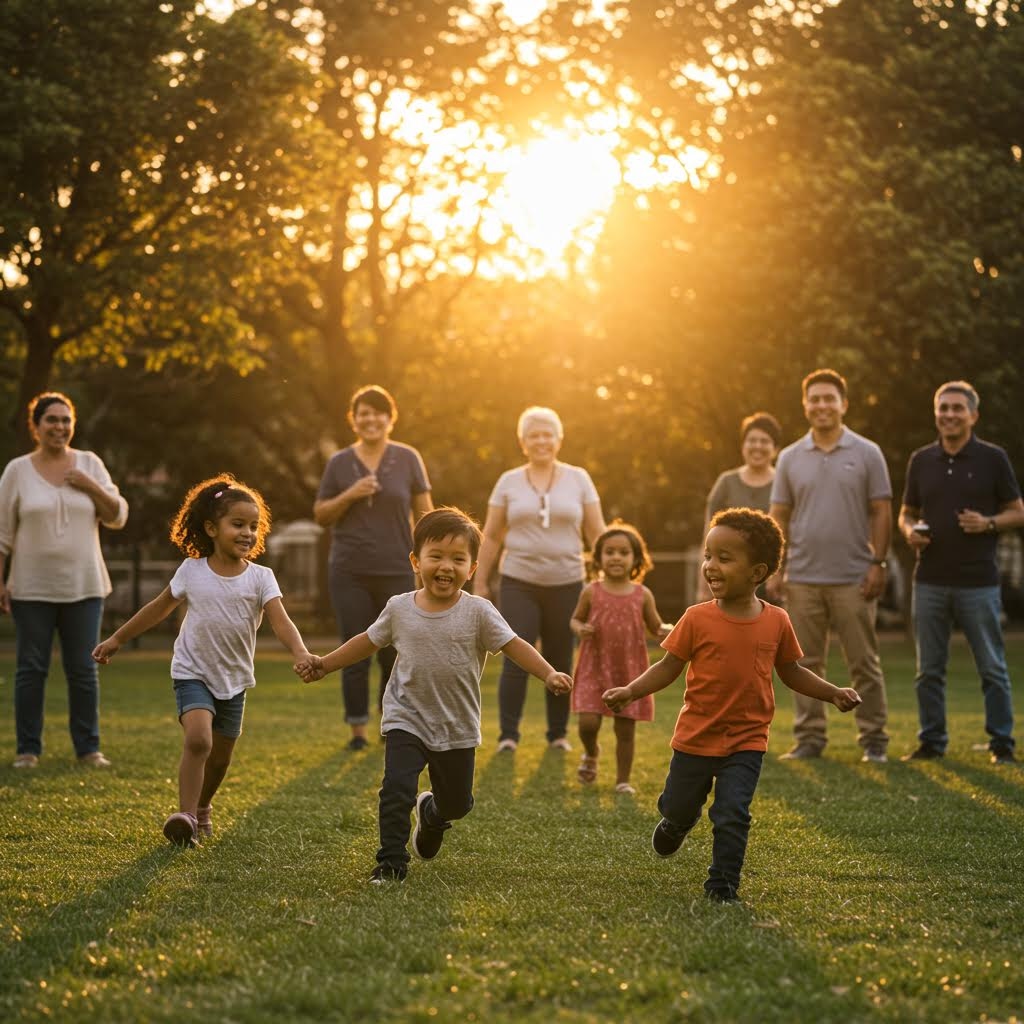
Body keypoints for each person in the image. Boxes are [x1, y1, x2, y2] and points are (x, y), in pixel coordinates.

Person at [295, 507, 573, 883]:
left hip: (456, 722)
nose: (446, 566)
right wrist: (325, 664)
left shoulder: (479, 612)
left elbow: (514, 644)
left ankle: (432, 815)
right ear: (416, 561)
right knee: (396, 789)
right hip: (405, 716)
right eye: (436, 556)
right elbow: (366, 642)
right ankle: (392, 862)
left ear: (472, 568)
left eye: (458, 559)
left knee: (459, 803)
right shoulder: (399, 608)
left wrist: (548, 672)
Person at [603, 508, 861, 903]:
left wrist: (833, 692)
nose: (710, 566)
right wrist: (630, 691)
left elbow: (792, 672)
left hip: (747, 740)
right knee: (679, 804)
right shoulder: (695, 619)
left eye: (724, 558)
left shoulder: (776, 621)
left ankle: (722, 886)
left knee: (733, 813)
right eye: (709, 555)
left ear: (757, 572)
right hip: (695, 737)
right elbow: (668, 667)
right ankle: (675, 822)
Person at [92, 476, 312, 846]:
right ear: (212, 528)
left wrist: (301, 653)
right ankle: (187, 818)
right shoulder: (192, 571)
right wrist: (117, 638)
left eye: (254, 526)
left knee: (221, 759)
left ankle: (204, 806)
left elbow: (281, 621)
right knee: (198, 740)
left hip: (235, 679)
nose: (248, 533)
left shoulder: (261, 578)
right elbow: (157, 609)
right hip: (192, 672)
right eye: (238, 524)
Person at [768, 369, 892, 763]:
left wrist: (878, 563)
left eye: (829, 399)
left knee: (863, 662)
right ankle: (809, 739)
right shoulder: (789, 457)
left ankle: (874, 740)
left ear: (843, 404)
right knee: (803, 663)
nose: (822, 405)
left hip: (853, 577)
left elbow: (881, 510)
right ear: (805, 405)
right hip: (802, 577)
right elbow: (778, 517)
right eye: (815, 399)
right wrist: (776, 568)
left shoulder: (867, 452)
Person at [0, 391, 128, 769]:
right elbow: (3, 533)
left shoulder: (90, 464)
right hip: (31, 587)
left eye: (65, 420)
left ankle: (89, 749)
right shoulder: (17, 471)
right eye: (51, 420)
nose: (59, 426)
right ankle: (27, 750)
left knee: (84, 669)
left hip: (84, 586)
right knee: (31, 669)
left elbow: (118, 515)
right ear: (35, 426)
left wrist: (89, 486)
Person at [899, 381, 1024, 765]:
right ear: (936, 413)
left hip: (978, 583)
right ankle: (932, 742)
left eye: (957, 408)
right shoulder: (921, 460)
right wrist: (909, 533)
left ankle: (1002, 744)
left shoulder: (993, 458)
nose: (949, 414)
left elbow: (1018, 511)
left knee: (992, 667)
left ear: (973, 415)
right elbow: (906, 513)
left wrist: (987, 523)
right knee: (928, 671)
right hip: (930, 580)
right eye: (943, 408)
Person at [475, 406, 605, 751]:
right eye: (534, 434)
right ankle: (508, 736)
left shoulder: (579, 479)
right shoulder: (509, 481)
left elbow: (597, 533)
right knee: (518, 654)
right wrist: (479, 581)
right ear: (523, 441)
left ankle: (558, 734)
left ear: (559, 439)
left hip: (568, 582)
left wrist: (609, 582)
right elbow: (491, 535)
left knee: (561, 660)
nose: (541, 440)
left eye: (548, 434)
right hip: (519, 580)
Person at [314, 385, 433, 751]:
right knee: (355, 647)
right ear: (354, 420)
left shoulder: (408, 458)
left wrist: (427, 563)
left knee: (394, 651)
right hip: (350, 569)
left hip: (397, 568)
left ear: (389, 418)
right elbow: (321, 515)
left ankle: (390, 725)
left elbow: (425, 516)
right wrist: (351, 493)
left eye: (377, 412)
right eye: (362, 413)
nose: (370, 419)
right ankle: (357, 731)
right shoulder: (339, 464)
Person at [570, 522, 672, 794]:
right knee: (588, 723)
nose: (616, 557)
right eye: (610, 552)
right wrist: (581, 629)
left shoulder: (643, 595)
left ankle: (622, 780)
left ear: (636, 559)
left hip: (629, 670)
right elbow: (575, 619)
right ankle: (591, 753)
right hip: (594, 666)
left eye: (624, 552)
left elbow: (656, 627)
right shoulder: (592, 591)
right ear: (599, 557)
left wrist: (667, 630)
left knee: (625, 730)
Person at [697, 412, 782, 601]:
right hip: (729, 580)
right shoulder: (726, 483)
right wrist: (703, 588)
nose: (757, 446)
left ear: (775, 449)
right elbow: (707, 537)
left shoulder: (784, 483)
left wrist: (782, 576)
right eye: (752, 440)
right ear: (743, 446)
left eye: (764, 441)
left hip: (771, 583)